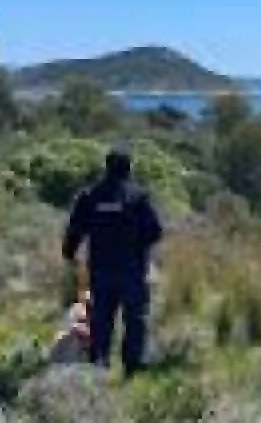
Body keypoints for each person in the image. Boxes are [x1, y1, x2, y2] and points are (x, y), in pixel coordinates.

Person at [62, 148, 163, 377]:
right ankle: (132, 366)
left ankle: (99, 363)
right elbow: (155, 232)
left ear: (106, 167)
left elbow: (75, 230)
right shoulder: (138, 197)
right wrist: (138, 247)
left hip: (100, 269)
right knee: (135, 318)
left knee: (101, 317)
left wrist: (69, 254)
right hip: (133, 270)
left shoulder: (90, 196)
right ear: (129, 167)